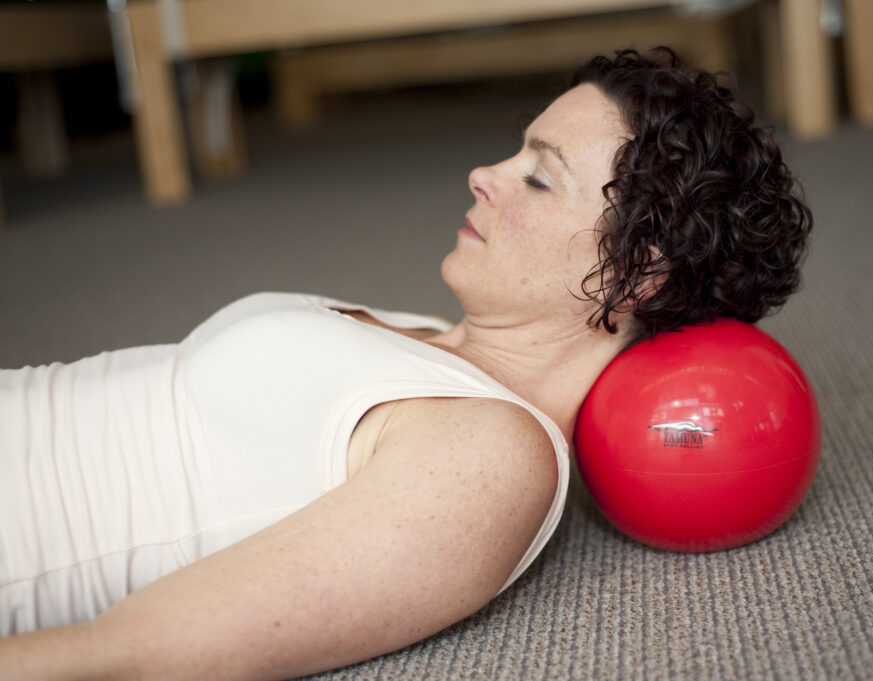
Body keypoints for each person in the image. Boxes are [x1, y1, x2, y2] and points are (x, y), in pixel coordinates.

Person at [0, 47, 811, 679]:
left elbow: (136, 653)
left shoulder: (494, 459)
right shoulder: (438, 339)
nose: (484, 175)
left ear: (635, 276)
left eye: (538, 176)